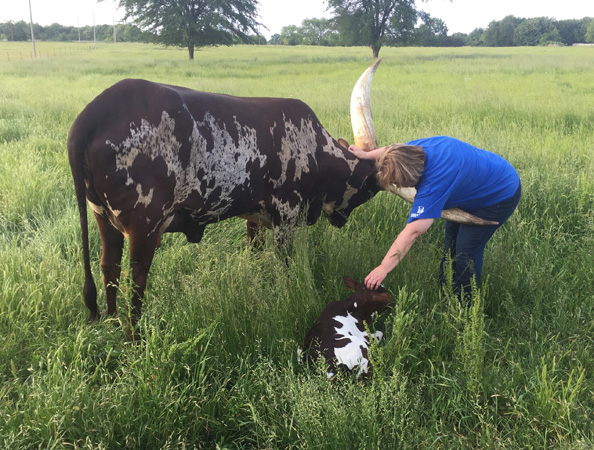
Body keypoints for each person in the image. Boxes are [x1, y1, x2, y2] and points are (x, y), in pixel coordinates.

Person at [348, 136, 521, 300]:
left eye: (401, 183)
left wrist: (383, 268)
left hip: (499, 195)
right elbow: (391, 150)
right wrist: (366, 155)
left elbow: (413, 231)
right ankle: (444, 290)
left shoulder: (433, 183)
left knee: (465, 253)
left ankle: (465, 306)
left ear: (413, 179)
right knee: (451, 243)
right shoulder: (415, 151)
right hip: (482, 177)